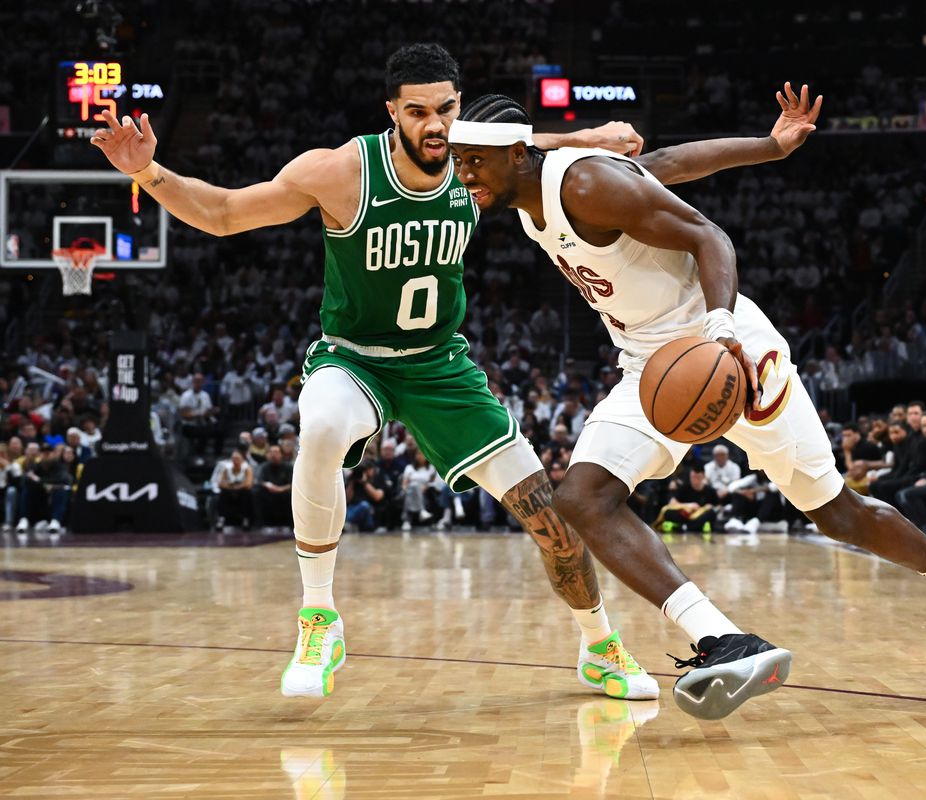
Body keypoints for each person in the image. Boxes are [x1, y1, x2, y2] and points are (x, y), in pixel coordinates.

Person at [91, 43, 656, 702]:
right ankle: (319, 617)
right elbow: (222, 214)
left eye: (446, 108)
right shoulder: (340, 173)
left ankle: (599, 645)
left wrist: (592, 137)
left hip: (441, 367)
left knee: (552, 522)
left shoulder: (478, 165)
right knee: (322, 421)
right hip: (355, 359)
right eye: (417, 111)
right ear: (392, 111)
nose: (436, 125)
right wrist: (150, 171)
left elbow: (530, 140)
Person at [449, 84, 926, 720]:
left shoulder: (584, 185)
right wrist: (768, 145)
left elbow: (707, 236)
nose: (464, 176)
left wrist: (720, 326)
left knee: (836, 514)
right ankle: (722, 640)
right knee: (581, 497)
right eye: (459, 162)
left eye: (474, 162)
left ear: (517, 153)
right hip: (653, 368)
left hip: (729, 352)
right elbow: (669, 166)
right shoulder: (531, 198)